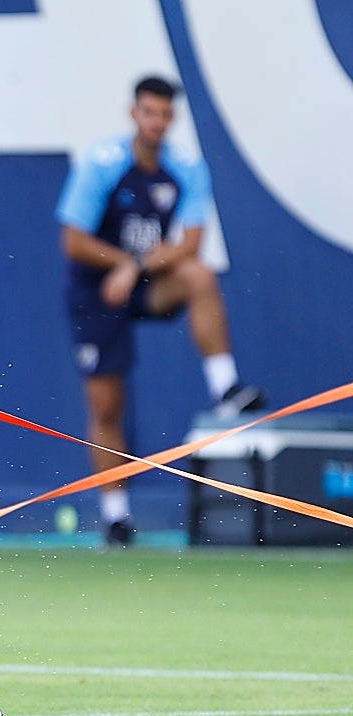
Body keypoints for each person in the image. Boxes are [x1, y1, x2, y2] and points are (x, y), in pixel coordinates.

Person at [55, 75, 266, 547]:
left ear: (173, 119)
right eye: (149, 112)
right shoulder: (104, 163)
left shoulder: (186, 168)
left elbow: (190, 243)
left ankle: (225, 387)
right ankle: (115, 516)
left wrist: (135, 266)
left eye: (165, 114)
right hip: (96, 290)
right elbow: (74, 240)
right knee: (107, 404)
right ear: (134, 113)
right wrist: (121, 266)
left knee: (199, 276)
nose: (157, 122)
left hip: (145, 280)